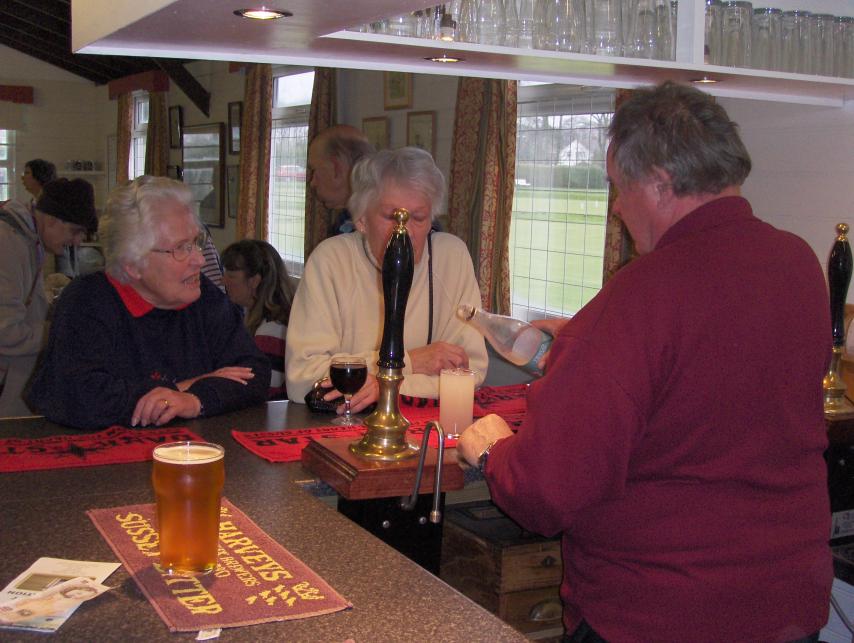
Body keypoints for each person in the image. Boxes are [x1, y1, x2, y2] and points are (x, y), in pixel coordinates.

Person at [457, 81, 832, 642]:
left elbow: (548, 492)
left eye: (617, 186)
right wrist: (582, 344)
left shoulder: (641, 294)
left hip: (657, 613)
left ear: (659, 183)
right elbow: (708, 377)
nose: (614, 207)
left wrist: (490, 449)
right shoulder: (797, 262)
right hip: (784, 603)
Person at [28, 175, 270, 429]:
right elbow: (80, 397)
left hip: (190, 453)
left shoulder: (203, 297)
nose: (200, 260)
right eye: (181, 248)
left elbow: (254, 375)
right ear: (132, 264)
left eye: (196, 243)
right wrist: (179, 389)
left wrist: (193, 399)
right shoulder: (86, 301)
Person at [286, 146, 488, 410]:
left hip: (422, 428)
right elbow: (302, 379)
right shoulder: (330, 261)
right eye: (391, 216)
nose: (404, 231)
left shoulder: (451, 257)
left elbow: (469, 374)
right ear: (361, 219)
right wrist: (413, 363)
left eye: (418, 218)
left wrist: (383, 383)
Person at [0, 178, 96, 417]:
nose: (77, 241)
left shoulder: (28, 240)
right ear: (52, 219)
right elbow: (6, 333)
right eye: (75, 231)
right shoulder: (8, 243)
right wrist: (63, 332)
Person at [222, 239, 295, 400]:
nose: (223, 281)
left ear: (254, 281)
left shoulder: (271, 329)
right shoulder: (252, 316)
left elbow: (264, 391)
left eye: (231, 276)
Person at [307, 124, 375, 237]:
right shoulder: (349, 219)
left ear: (336, 168)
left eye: (315, 170)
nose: (313, 183)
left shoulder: (372, 229)